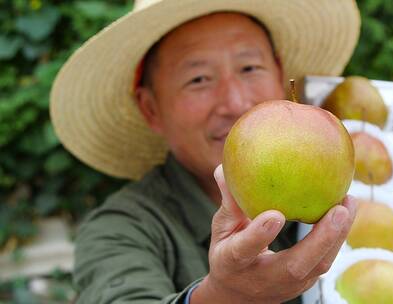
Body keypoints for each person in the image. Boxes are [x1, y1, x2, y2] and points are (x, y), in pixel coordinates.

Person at [50, 0, 360, 303]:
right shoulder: (120, 230)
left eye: (250, 67)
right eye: (198, 79)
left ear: (280, 74)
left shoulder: (358, 185)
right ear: (151, 108)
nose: (237, 103)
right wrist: (223, 296)